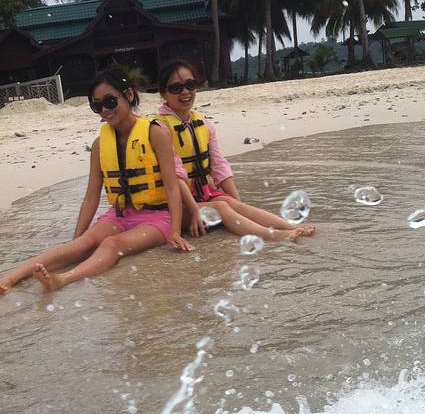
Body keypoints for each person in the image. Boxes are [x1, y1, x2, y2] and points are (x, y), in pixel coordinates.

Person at [0, 69, 192, 295]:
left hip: (159, 217)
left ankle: (62, 280)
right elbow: (91, 197)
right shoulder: (100, 145)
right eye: (97, 106)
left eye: (110, 102)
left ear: (129, 95)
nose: (105, 110)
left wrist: (175, 231)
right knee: (84, 243)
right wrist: (76, 240)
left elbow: (172, 186)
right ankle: (11, 276)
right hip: (120, 214)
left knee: (112, 244)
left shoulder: (155, 133)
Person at [153, 60, 315, 242]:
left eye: (190, 85)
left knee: (230, 203)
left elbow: (219, 166)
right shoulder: (160, 129)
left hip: (201, 194)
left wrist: (238, 203)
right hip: (176, 203)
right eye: (176, 88)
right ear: (163, 93)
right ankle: (276, 236)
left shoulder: (204, 124)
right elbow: (176, 175)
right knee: (223, 207)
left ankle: (291, 227)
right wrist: (195, 209)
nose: (185, 92)